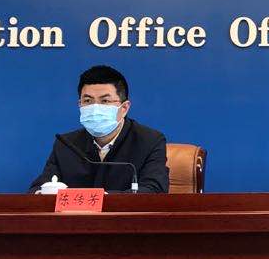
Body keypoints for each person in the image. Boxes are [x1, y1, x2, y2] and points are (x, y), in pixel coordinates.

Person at [29, 65, 169, 193]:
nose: (95, 108)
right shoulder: (66, 144)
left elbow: (154, 190)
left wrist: (99, 199)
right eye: (88, 101)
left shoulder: (149, 141)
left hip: (124, 214)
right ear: (80, 105)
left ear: (124, 108)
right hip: (74, 214)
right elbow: (38, 189)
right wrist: (43, 193)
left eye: (105, 101)